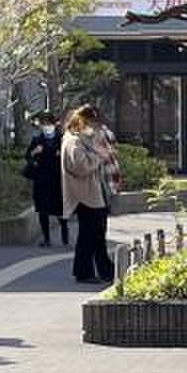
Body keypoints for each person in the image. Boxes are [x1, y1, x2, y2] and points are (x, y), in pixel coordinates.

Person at [60, 104, 116, 286]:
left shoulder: (82, 139)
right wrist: (99, 156)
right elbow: (81, 167)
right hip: (84, 195)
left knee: (98, 235)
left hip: (93, 194)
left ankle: (106, 271)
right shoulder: (72, 141)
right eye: (92, 122)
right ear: (84, 121)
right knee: (89, 236)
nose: (94, 127)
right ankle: (84, 272)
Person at [23, 111, 69, 249]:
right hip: (42, 180)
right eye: (44, 124)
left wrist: (61, 154)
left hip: (58, 180)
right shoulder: (37, 140)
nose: (46, 126)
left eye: (49, 124)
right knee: (43, 210)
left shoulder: (62, 139)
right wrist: (34, 153)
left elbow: (70, 158)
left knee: (60, 210)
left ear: (55, 125)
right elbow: (28, 157)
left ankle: (65, 234)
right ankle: (46, 238)